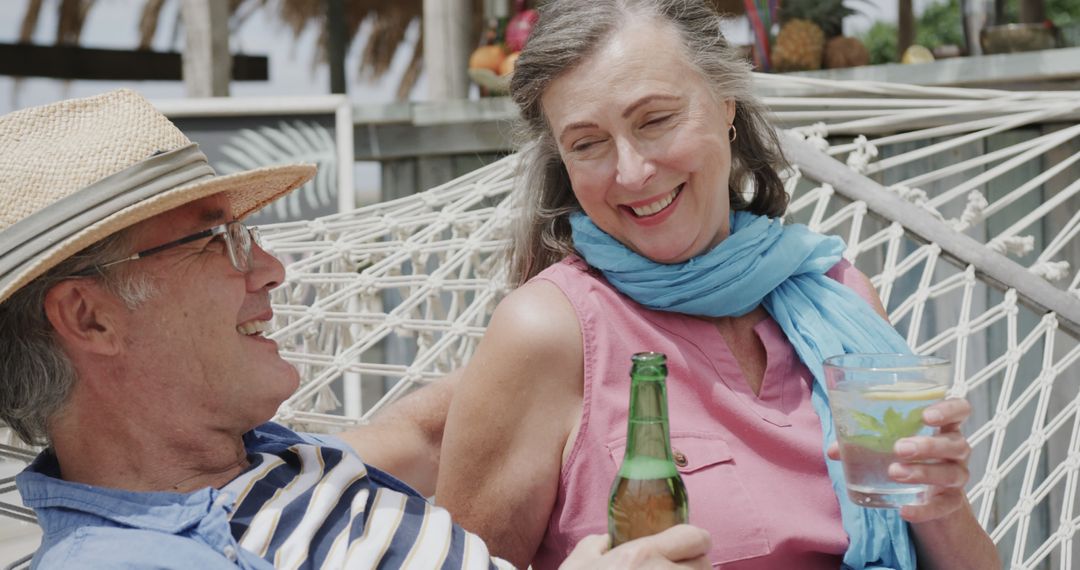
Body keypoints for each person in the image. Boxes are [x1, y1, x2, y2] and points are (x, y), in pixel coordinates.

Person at [0, 89, 712, 569]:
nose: (270, 267)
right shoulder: (131, 558)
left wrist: (628, 309)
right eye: (218, 239)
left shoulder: (260, 466)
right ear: (89, 317)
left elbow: (433, 432)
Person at [434, 1, 1001, 569]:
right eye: (587, 144)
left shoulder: (841, 297)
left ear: (726, 105)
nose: (631, 173)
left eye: (654, 120)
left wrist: (941, 507)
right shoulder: (549, 331)